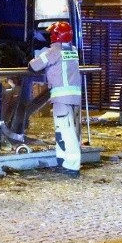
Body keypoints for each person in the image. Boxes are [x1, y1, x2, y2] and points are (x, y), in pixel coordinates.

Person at [28, 21, 82, 178]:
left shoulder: (54, 51)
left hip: (61, 97)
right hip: (74, 96)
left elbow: (34, 66)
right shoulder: (73, 50)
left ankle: (71, 166)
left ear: (56, 35)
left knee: (65, 131)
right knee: (70, 130)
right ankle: (64, 161)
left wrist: (39, 54)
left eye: (52, 33)